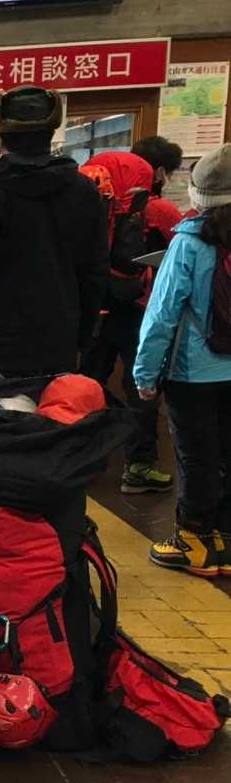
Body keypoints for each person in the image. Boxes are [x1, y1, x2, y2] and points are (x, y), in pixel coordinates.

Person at [0, 85, 110, 380]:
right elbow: (95, 273)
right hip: (61, 340)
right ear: (49, 135)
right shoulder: (83, 190)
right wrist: (81, 340)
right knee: (55, 408)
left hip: (2, 345)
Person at [135, 144, 231, 576]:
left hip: (193, 372)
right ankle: (226, 540)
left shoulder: (189, 243)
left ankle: (194, 542)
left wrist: (145, 373)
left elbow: (162, 315)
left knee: (197, 455)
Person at [80, 151, 173, 495]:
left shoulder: (86, 207)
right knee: (142, 387)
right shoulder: (158, 210)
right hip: (137, 311)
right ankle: (139, 466)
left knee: (85, 385)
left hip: (94, 309)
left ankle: (80, 456)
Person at [133, 135, 186, 242]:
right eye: (170, 174)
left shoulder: (116, 197)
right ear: (160, 172)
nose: (171, 179)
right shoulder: (160, 208)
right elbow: (184, 244)